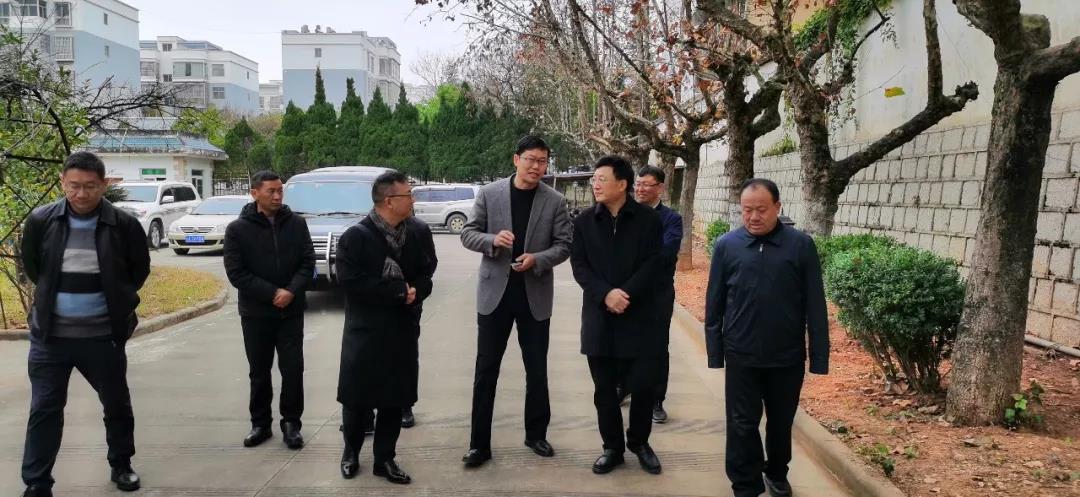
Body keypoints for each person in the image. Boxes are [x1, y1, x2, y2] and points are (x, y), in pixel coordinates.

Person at [19, 152, 151, 497]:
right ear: (62, 182)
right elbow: (34, 268)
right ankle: (37, 482)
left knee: (116, 404)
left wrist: (117, 303)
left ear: (104, 185)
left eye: (90, 186)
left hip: (103, 337)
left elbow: (138, 272)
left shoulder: (123, 225)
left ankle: (121, 465)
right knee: (44, 409)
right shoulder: (41, 220)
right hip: (51, 338)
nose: (81, 194)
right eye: (74, 186)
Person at [706, 178, 829, 497]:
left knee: (780, 423)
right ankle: (745, 484)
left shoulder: (800, 246)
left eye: (761, 209)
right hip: (741, 354)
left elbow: (815, 304)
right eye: (747, 210)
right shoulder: (727, 245)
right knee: (741, 424)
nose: (753, 217)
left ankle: (776, 471)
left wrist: (818, 358)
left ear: (778, 207)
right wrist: (715, 352)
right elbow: (714, 303)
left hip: (785, 357)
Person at [460, 135, 572, 467]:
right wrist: (493, 240)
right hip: (495, 296)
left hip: (534, 296)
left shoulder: (554, 200)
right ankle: (479, 444)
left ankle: (536, 434)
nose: (536, 166)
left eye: (542, 161)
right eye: (531, 159)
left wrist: (538, 259)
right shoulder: (490, 193)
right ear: (516, 159)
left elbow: (564, 245)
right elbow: (468, 233)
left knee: (536, 370)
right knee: (486, 370)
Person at [335, 171, 437, 484]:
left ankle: (385, 459)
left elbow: (427, 271)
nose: (413, 200)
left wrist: (416, 291)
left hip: (402, 329)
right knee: (357, 399)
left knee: (394, 399)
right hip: (365, 332)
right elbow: (350, 282)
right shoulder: (356, 237)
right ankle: (351, 451)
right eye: (408, 195)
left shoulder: (416, 232)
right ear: (389, 201)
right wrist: (395, 291)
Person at [570, 155, 665, 475]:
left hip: (639, 317)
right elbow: (579, 266)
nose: (595, 184)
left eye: (602, 179)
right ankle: (612, 447)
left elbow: (654, 263)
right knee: (604, 390)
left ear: (622, 184)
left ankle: (639, 442)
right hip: (599, 317)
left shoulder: (648, 220)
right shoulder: (584, 222)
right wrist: (606, 294)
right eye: (593, 179)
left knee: (643, 386)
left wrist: (626, 294)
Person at [223, 170, 315, 451]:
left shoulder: (297, 224)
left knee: (293, 369)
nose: (277, 196)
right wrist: (272, 293)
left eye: (280, 191)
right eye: (270, 191)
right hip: (256, 314)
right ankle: (260, 423)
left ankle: (291, 424)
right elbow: (236, 273)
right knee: (259, 371)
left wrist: (291, 291)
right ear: (255, 193)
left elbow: (307, 262)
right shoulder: (237, 229)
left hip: (291, 311)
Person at [623, 165, 683, 424]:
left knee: (657, 346)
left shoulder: (671, 219)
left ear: (660, 187)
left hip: (658, 293)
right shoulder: (624, 214)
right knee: (624, 341)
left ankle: (657, 399)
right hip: (627, 291)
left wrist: (635, 256)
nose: (640, 189)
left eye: (646, 184)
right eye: (638, 184)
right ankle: (624, 386)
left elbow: (667, 253)